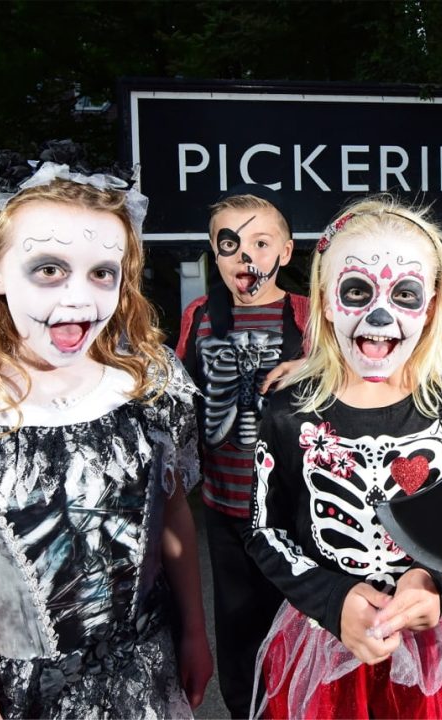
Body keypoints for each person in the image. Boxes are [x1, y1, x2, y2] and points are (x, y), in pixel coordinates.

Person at [0, 142, 213, 719]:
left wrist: (194, 634)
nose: (78, 299)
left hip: (143, 677)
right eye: (48, 270)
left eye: (103, 273)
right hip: (16, 699)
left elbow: (173, 520)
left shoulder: (148, 389)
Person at [245, 197, 442, 719]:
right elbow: (264, 531)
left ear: (431, 306)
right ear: (323, 300)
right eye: (357, 291)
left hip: (435, 642)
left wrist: (438, 579)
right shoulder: (287, 414)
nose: (380, 315)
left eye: (405, 294)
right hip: (324, 639)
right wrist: (330, 599)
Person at [174, 183, 308, 717]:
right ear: (215, 254)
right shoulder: (201, 316)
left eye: (260, 242)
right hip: (226, 508)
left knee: (300, 627)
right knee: (237, 633)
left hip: (296, 513)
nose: (246, 256)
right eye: (228, 244)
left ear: (286, 251)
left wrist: (319, 366)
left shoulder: (311, 314)